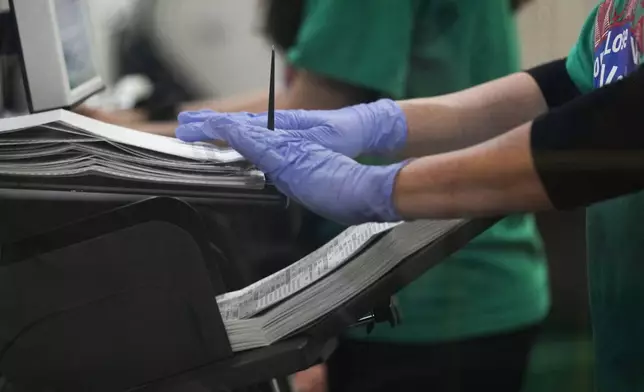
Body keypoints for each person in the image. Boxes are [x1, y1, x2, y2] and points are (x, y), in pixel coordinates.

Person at [174, 0, 644, 390]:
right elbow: (574, 84)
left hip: (440, 299)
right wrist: (382, 123)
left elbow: (619, 129)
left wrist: (382, 186)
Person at [86, 1, 548, 391]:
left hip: (427, 293)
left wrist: (132, 132)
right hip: (473, 273)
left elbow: (315, 106)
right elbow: (301, 99)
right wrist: (148, 120)